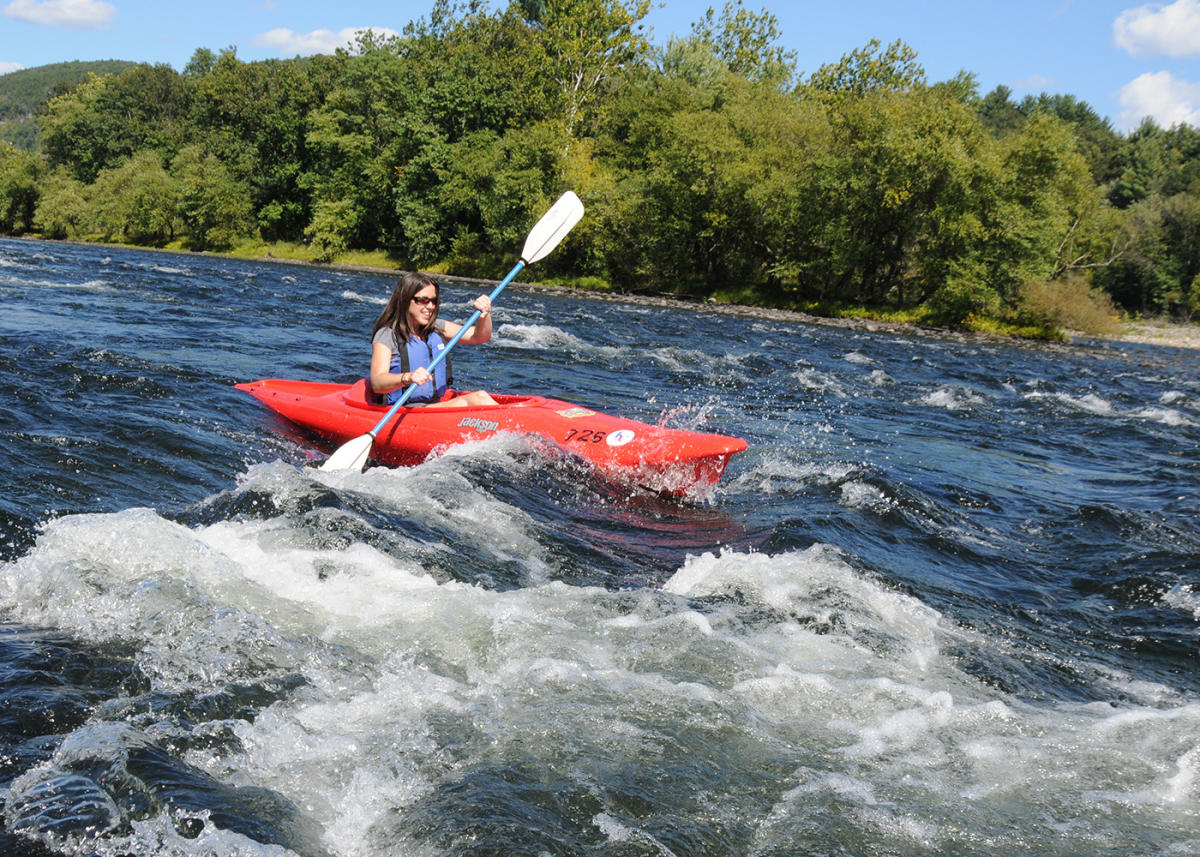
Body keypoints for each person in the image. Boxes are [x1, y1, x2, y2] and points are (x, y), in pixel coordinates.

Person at [369, 272, 500, 408]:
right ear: (405, 300)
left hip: (433, 407)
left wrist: (484, 315)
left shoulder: (437, 328)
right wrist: (408, 377)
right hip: (403, 410)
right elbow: (377, 383)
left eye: (434, 301)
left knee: (481, 397)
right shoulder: (387, 334)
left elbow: (480, 336)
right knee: (479, 398)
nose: (431, 306)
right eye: (423, 300)